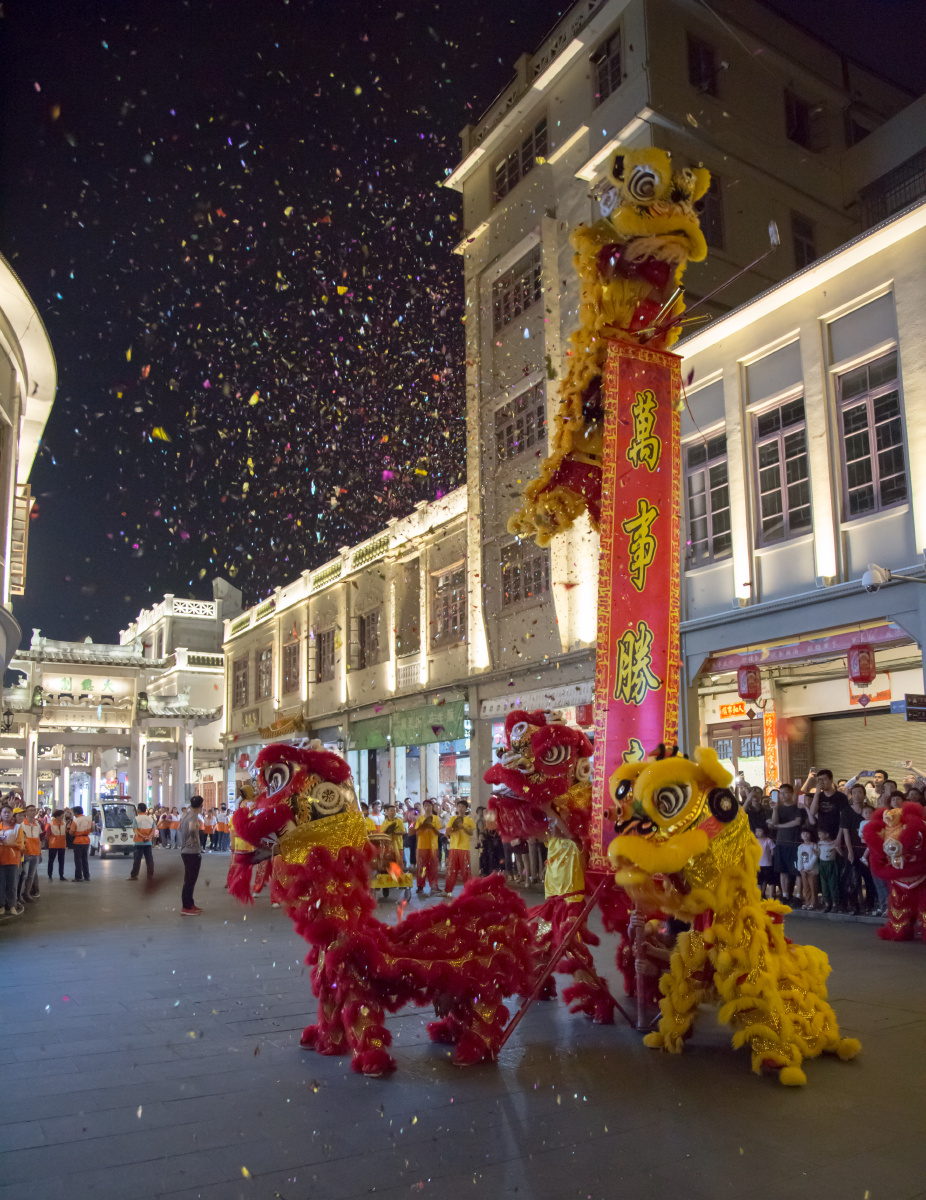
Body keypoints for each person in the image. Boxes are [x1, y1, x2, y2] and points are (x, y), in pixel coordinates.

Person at [838, 784, 872, 914]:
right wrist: (850, 851)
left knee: (868, 878)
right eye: (854, 792)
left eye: (860, 792)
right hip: (852, 848)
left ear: (864, 795)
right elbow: (846, 833)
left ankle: (869, 904)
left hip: (867, 849)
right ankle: (854, 905)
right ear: (851, 795)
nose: (857, 795)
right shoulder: (846, 811)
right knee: (852, 878)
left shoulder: (869, 810)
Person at [770, 783, 804, 903]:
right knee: (782, 870)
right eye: (781, 793)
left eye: (785, 793)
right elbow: (774, 823)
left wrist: (780, 826)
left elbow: (797, 822)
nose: (783, 795)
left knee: (798, 871)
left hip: (794, 843)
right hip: (780, 843)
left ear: (791, 793)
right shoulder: (778, 807)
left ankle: (799, 895)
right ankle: (785, 895)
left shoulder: (797, 807)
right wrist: (774, 809)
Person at [443, 800, 476, 895]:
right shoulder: (452, 818)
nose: (460, 808)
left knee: (465, 871)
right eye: (459, 806)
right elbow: (448, 832)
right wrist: (455, 827)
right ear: (457, 808)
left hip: (464, 848)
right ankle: (448, 890)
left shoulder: (469, 820)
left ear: (466, 808)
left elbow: (471, 833)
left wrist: (463, 827)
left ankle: (468, 891)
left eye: (462, 806)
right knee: (451, 870)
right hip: (453, 847)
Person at [180, 795, 204, 915]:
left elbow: (181, 829)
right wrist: (194, 838)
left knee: (189, 879)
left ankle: (190, 903)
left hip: (185, 850)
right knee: (190, 880)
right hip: (192, 851)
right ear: (201, 806)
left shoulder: (185, 816)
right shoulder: (194, 817)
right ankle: (186, 907)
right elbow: (192, 829)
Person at [0, 801, 24, 916]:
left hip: (12, 859)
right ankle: (2, 906)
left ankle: (12, 905)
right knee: (1, 884)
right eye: (4, 812)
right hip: (0, 860)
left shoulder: (17, 827)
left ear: (11, 814)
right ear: (1, 814)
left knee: (12, 884)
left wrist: (6, 843)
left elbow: (20, 843)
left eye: (8, 812)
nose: (6, 814)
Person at [414, 799, 442, 894]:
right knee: (421, 866)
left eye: (429, 805)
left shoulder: (436, 818)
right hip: (421, 846)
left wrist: (432, 827)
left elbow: (438, 832)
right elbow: (417, 832)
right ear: (423, 807)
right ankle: (420, 886)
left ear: (432, 807)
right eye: (425, 806)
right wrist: (423, 827)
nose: (427, 807)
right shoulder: (419, 819)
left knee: (433, 867)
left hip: (433, 846)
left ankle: (434, 886)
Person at [18, 804, 43, 904]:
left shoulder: (37, 824)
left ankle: (27, 893)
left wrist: (40, 853)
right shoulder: (22, 824)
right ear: (26, 812)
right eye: (31, 810)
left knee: (31, 875)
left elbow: (38, 840)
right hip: (25, 853)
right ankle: (19, 895)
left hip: (35, 853)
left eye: (34, 810)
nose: (33, 812)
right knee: (23, 875)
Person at [129, 802, 157, 881]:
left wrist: (143, 837)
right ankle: (150, 875)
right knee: (149, 860)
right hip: (148, 842)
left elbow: (135, 830)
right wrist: (148, 837)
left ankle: (134, 875)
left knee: (137, 860)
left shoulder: (136, 819)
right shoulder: (150, 819)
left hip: (139, 842)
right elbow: (153, 830)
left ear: (139, 809)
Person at [796, 828, 819, 910]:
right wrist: (800, 869)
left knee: (813, 887)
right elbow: (799, 858)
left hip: (812, 870)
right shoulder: (800, 847)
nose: (805, 835)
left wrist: (807, 868)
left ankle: (814, 902)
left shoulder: (814, 845)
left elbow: (815, 857)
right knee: (806, 887)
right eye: (803, 833)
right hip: (804, 871)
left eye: (807, 833)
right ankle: (807, 902)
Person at [817, 830, 839, 912]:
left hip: (831, 864)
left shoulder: (833, 843)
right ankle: (827, 904)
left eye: (820, 834)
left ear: (827, 834)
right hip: (822, 864)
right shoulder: (820, 843)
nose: (819, 836)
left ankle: (835, 904)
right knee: (824, 884)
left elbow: (840, 853)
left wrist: (837, 848)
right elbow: (819, 853)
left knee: (832, 883)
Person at [71, 806, 93, 881]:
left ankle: (78, 877)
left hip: (78, 841)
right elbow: (92, 829)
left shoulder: (76, 820)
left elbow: (71, 832)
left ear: (76, 813)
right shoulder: (89, 819)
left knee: (78, 859)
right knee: (85, 858)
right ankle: (87, 876)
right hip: (86, 840)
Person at [755, 825, 776, 899]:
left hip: (767, 864)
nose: (758, 833)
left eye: (760, 831)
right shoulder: (755, 841)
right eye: (757, 831)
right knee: (759, 881)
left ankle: (771, 896)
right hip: (758, 864)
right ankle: (759, 896)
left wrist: (771, 857)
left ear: (764, 831)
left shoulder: (768, 840)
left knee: (770, 880)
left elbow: (773, 851)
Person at [47, 810, 68, 881]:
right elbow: (47, 834)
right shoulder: (50, 824)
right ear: (57, 816)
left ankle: (61, 875)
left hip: (62, 844)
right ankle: (50, 875)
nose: (63, 816)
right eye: (62, 815)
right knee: (51, 860)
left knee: (61, 860)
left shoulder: (64, 823)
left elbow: (66, 832)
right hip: (53, 844)